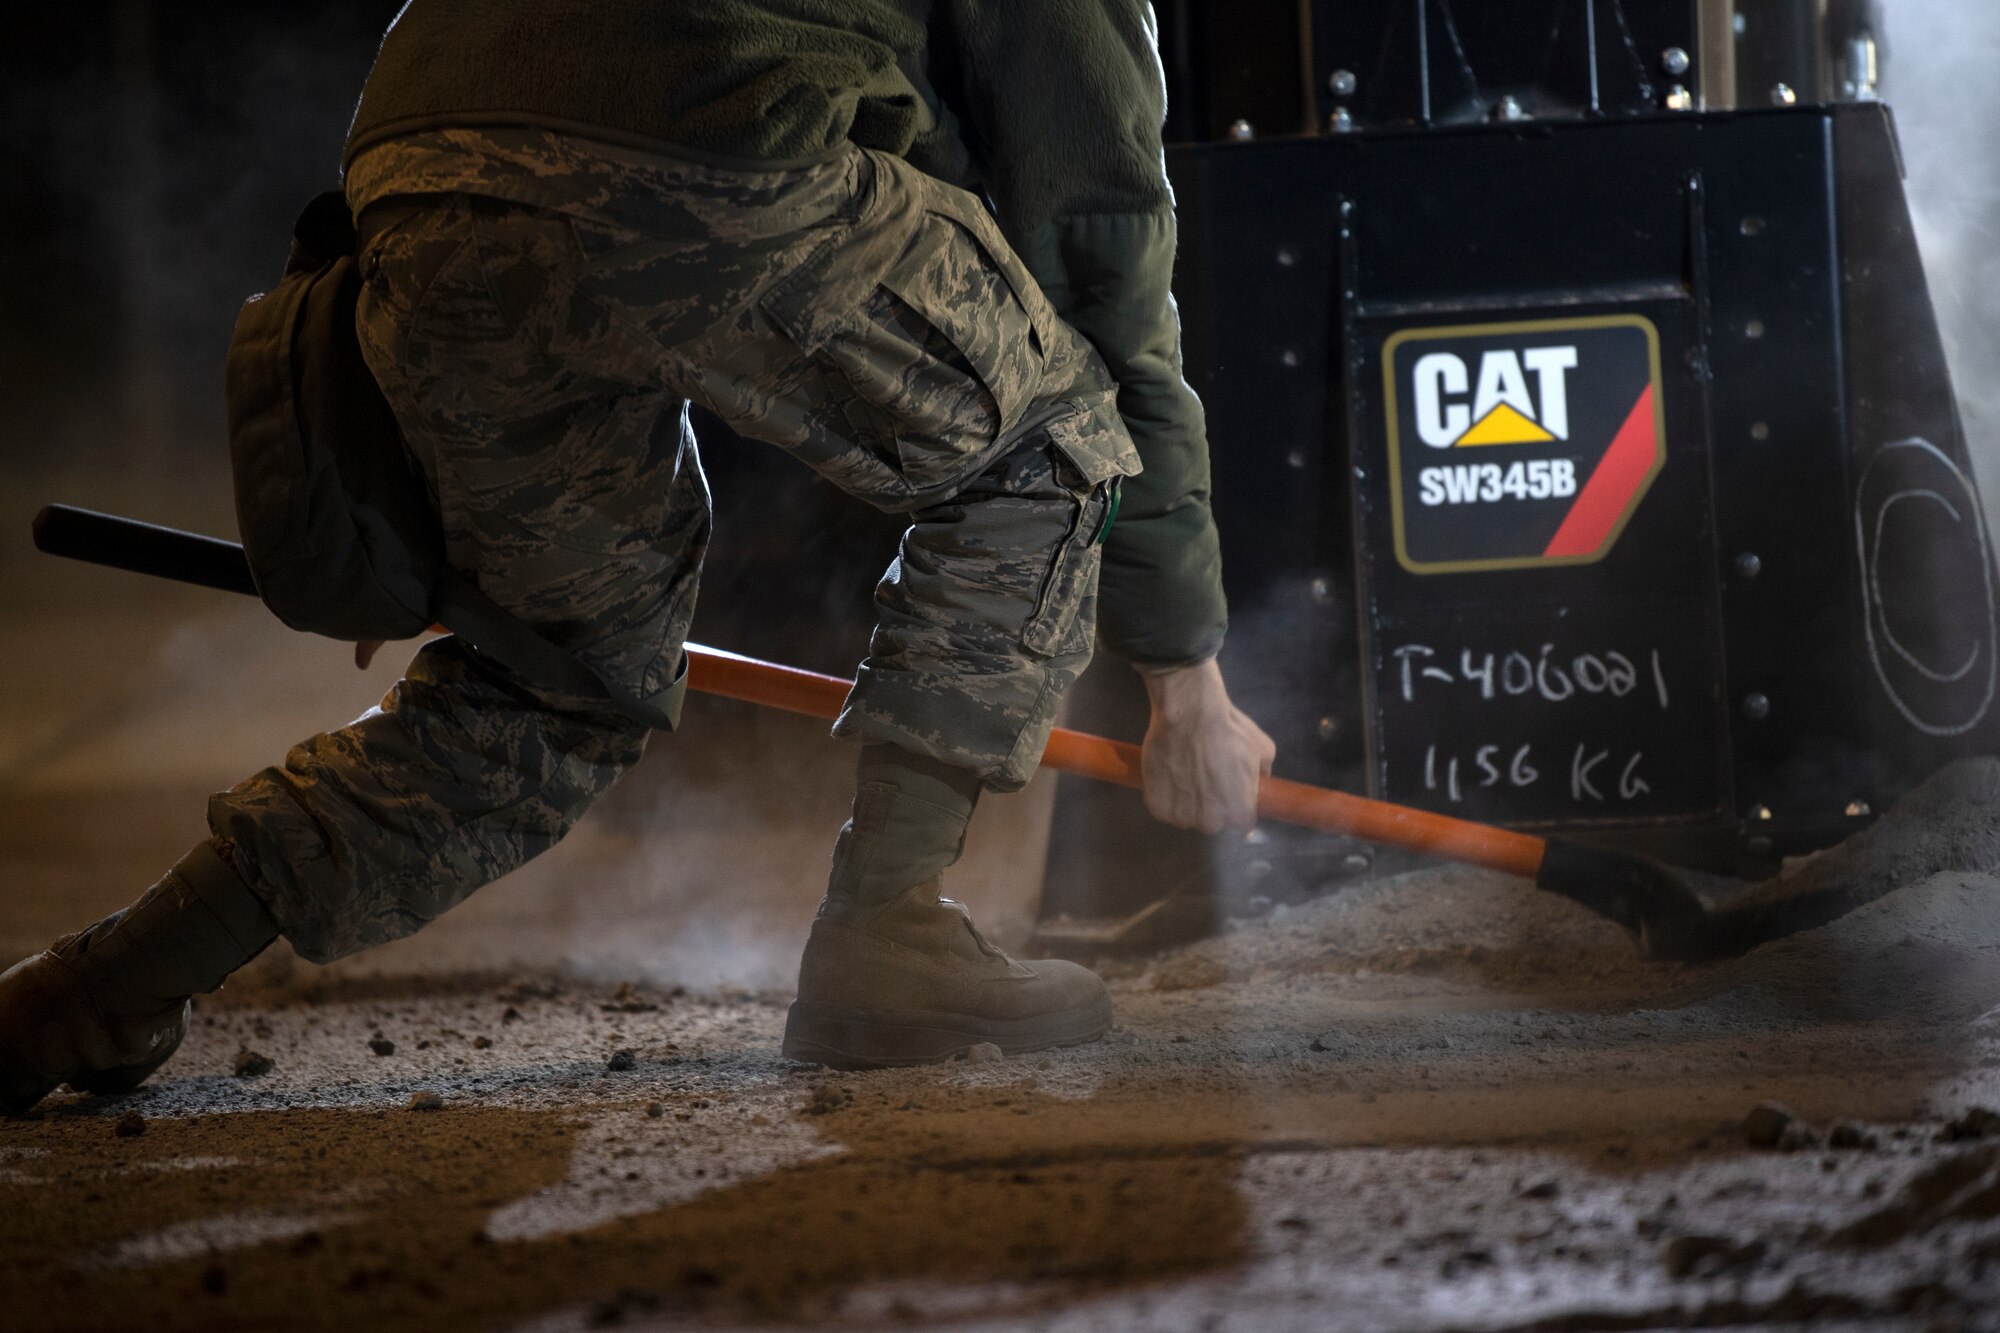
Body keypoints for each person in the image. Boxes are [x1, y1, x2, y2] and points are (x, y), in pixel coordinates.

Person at [0, 0, 1275, 1110]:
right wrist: (1186, 679)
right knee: (1049, 439)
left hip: (418, 183)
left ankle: (90, 991)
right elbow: (1103, 264)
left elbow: (485, 91)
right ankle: (889, 927)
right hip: (713, 141)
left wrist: (417, 506)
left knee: (551, 678)